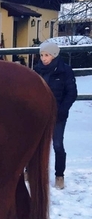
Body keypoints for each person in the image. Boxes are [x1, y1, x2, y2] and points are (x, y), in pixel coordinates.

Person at [34, 41, 77, 190]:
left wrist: (62, 110)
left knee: (57, 144)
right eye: (41, 55)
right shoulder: (37, 70)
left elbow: (71, 93)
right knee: (35, 144)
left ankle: (59, 175)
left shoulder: (65, 71)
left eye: (47, 55)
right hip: (39, 115)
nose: (44, 58)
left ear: (54, 55)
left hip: (58, 115)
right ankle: (32, 172)